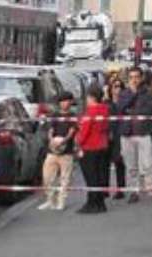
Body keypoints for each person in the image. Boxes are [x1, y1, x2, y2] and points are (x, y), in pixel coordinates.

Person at [120, 66, 152, 202]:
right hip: (127, 133)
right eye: (131, 77)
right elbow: (120, 108)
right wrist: (132, 95)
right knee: (131, 165)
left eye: (137, 77)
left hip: (143, 132)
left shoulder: (148, 93)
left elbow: (147, 111)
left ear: (142, 77)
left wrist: (130, 110)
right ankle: (134, 191)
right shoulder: (124, 93)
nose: (134, 80)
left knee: (148, 163)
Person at [38, 92, 78, 211]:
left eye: (67, 101)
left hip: (66, 152)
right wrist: (51, 140)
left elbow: (72, 131)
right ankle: (50, 200)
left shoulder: (73, 116)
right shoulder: (55, 115)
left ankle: (61, 201)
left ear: (71, 102)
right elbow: (51, 129)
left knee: (65, 178)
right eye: (62, 101)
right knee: (47, 177)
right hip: (52, 151)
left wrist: (64, 141)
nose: (65, 103)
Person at [75, 84, 111, 214]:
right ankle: (101, 203)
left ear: (91, 97)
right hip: (102, 145)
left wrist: (77, 141)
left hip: (90, 146)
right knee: (100, 175)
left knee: (91, 177)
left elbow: (85, 130)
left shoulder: (90, 111)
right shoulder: (105, 109)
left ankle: (92, 203)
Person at [107, 78, 129, 199]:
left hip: (120, 134)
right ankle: (104, 190)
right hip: (107, 135)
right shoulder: (107, 103)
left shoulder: (125, 102)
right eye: (115, 86)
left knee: (119, 162)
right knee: (105, 163)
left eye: (120, 86)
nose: (117, 89)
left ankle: (120, 189)